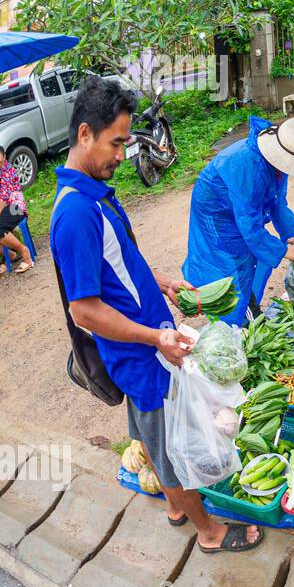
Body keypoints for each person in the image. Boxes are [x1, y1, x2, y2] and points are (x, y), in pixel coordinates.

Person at [50, 77, 262, 553]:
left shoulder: (94, 193)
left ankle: (173, 506)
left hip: (144, 345)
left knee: (148, 430)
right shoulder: (75, 213)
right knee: (167, 448)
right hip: (140, 354)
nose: (123, 155)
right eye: (117, 143)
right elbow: (84, 310)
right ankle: (208, 532)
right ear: (85, 134)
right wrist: (154, 338)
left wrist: (162, 281)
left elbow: (120, 261)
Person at [183, 116, 294, 325]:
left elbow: (276, 200)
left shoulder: (278, 162)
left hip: (241, 204)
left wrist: (290, 230)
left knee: (251, 255)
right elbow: (249, 226)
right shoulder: (249, 167)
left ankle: (247, 305)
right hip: (216, 207)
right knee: (232, 260)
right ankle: (236, 319)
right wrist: (282, 251)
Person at [0, 145, 34, 274]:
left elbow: (4, 197)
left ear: (4, 157)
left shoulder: (8, 171)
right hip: (2, 211)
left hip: (16, 207)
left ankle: (25, 253)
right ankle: (10, 255)